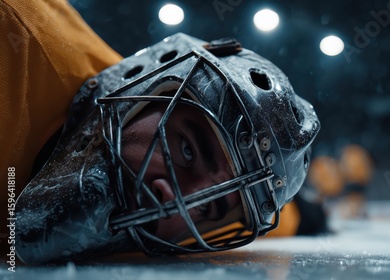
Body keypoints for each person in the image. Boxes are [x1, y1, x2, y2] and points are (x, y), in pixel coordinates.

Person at [0, 0, 320, 264]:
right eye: (187, 151)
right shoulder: (13, 39)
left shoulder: (183, 220)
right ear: (143, 84)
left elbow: (277, 214)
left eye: (209, 206)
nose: (172, 202)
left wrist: (308, 215)